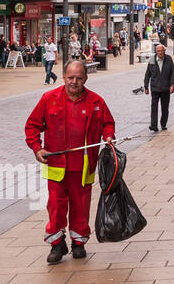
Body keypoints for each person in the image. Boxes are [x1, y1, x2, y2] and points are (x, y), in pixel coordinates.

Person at [24, 59, 116, 264]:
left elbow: (107, 124)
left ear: (86, 79)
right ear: (64, 77)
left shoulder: (96, 102)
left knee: (81, 207)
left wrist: (108, 136)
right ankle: (57, 244)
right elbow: (32, 126)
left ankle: (78, 243)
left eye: (79, 78)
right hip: (55, 166)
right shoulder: (49, 99)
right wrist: (37, 149)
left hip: (83, 167)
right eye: (70, 77)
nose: (74, 82)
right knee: (55, 207)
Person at [143, 42, 174, 133]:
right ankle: (153, 125)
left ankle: (163, 124)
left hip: (165, 88)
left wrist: (172, 85)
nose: (160, 53)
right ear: (156, 51)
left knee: (165, 108)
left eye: (161, 51)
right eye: (158, 51)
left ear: (164, 51)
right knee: (154, 107)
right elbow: (147, 74)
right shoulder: (152, 60)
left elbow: (173, 73)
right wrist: (146, 86)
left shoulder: (168, 59)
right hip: (155, 88)